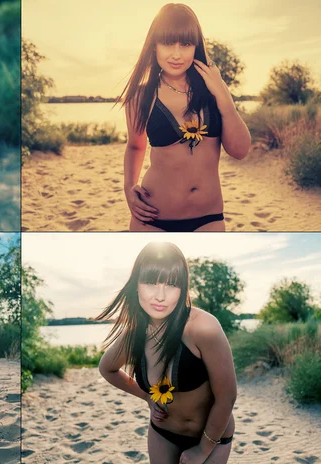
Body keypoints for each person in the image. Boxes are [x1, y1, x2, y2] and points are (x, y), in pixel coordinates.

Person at [96, 242, 236, 464]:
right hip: (163, 434)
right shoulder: (135, 334)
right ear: (136, 285)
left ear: (182, 289)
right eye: (151, 282)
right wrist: (148, 398)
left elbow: (227, 397)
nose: (160, 296)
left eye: (172, 284)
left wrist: (202, 450)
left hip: (212, 436)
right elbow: (107, 368)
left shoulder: (202, 327)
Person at [120, 3, 251, 232]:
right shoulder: (141, 97)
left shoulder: (213, 90)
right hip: (153, 219)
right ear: (154, 46)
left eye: (186, 44)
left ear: (196, 47)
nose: (177, 54)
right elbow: (135, 146)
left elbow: (240, 151)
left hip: (208, 218)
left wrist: (223, 95)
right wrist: (129, 187)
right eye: (168, 43)